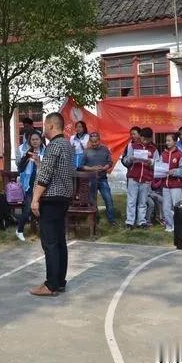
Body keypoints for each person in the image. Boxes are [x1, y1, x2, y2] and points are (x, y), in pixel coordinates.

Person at [29, 112, 74, 297]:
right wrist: (40, 164)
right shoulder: (67, 145)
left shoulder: (54, 145)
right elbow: (54, 171)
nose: (43, 129)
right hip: (63, 197)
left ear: (52, 126)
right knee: (59, 241)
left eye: (45, 125)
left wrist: (34, 199)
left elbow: (45, 177)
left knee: (50, 243)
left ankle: (51, 285)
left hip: (51, 198)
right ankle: (59, 282)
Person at [124, 127, 159, 230]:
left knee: (143, 202)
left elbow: (158, 163)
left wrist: (151, 162)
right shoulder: (133, 145)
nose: (145, 141)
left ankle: (141, 221)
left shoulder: (153, 148)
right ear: (140, 136)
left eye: (148, 139)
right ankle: (129, 222)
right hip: (133, 176)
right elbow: (125, 160)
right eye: (144, 139)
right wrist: (131, 159)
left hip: (146, 178)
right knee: (131, 200)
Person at [81, 132, 117, 226]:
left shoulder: (105, 149)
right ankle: (95, 219)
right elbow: (81, 166)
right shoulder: (86, 151)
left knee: (108, 199)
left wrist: (105, 167)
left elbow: (110, 162)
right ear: (90, 141)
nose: (94, 144)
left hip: (102, 178)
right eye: (92, 142)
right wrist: (92, 168)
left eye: (96, 141)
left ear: (99, 140)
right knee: (92, 200)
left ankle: (112, 220)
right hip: (91, 179)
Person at [154, 133, 182, 232]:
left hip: (176, 185)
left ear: (175, 142)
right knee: (166, 207)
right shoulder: (163, 154)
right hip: (165, 185)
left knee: (177, 206)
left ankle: (179, 226)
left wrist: (174, 172)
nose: (167, 143)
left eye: (169, 141)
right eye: (166, 141)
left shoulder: (179, 154)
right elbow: (159, 167)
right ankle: (169, 226)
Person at [17, 132, 45, 241]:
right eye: (32, 139)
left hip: (42, 184)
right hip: (29, 185)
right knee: (28, 208)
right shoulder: (27, 153)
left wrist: (39, 159)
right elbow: (20, 169)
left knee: (42, 209)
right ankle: (19, 230)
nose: (35, 141)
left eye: (37, 139)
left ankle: (42, 232)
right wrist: (27, 158)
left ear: (41, 140)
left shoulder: (45, 152)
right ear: (30, 141)